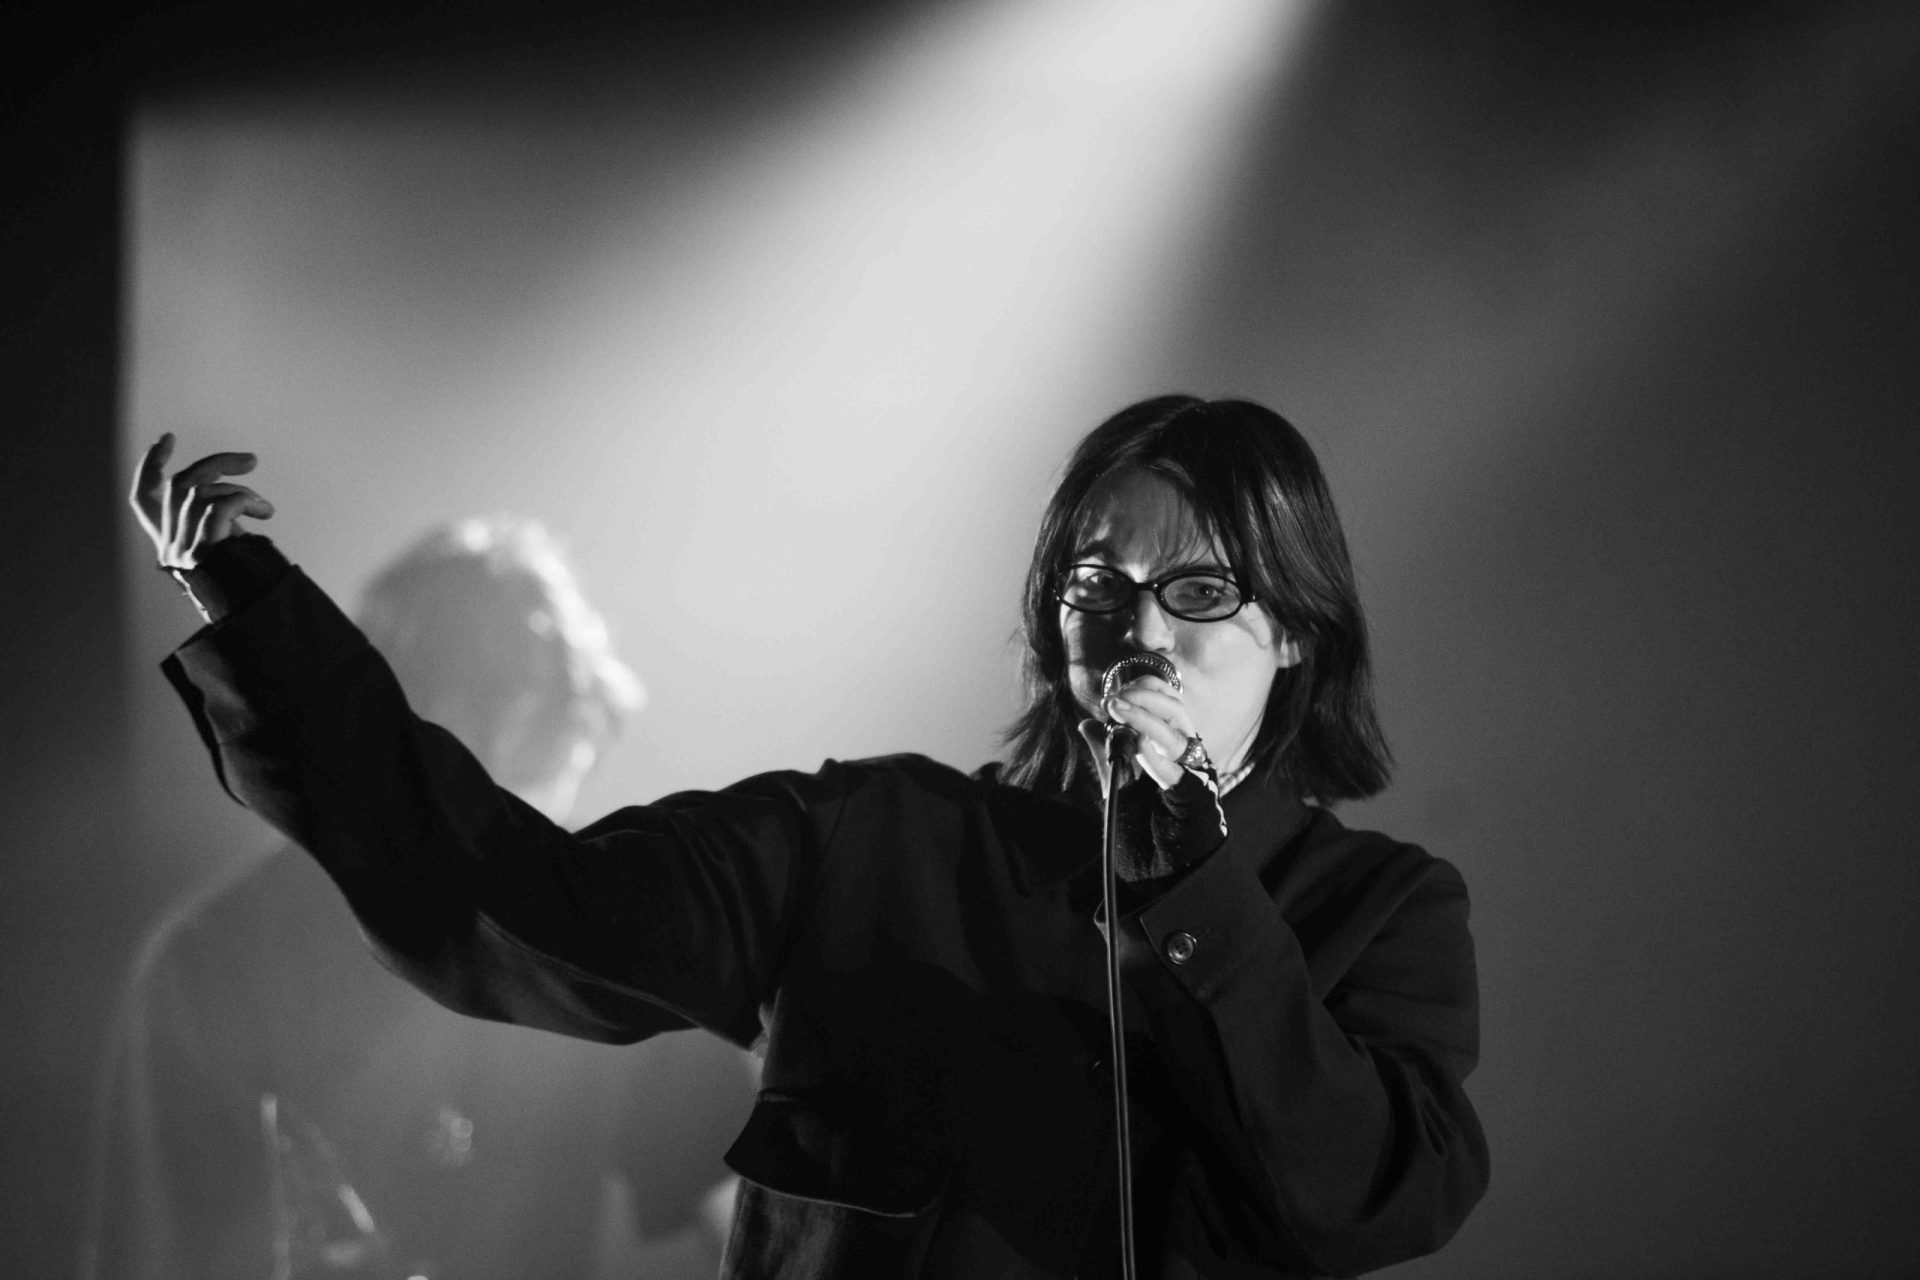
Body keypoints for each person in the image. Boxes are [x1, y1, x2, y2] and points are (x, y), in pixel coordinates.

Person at [129, 395, 1489, 1278]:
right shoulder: (869, 839)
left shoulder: (1381, 910)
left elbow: (1370, 1194)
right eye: (1096, 585)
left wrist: (1197, 882)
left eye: (1194, 591)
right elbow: (511, 897)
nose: (1137, 630)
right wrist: (262, 627)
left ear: (1295, 626)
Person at [86, 515, 759, 1280]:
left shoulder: (607, 931)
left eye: (550, 799)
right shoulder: (213, 962)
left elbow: (749, 1213)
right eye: (506, 796)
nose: (537, 845)